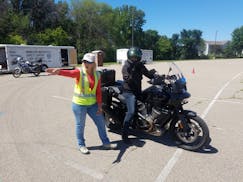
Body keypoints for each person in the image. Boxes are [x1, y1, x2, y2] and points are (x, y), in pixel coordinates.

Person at [46, 53, 117, 154]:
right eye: (84, 61)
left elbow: (98, 91)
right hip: (79, 105)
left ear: (93, 63)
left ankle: (106, 143)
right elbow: (70, 73)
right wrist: (59, 72)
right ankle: (81, 145)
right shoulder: (80, 72)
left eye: (88, 62)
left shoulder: (97, 74)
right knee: (80, 125)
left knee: (101, 123)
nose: (85, 63)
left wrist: (100, 106)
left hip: (93, 105)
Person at [121, 47, 156, 143]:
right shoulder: (126, 66)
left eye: (136, 58)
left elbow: (148, 74)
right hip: (129, 92)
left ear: (139, 58)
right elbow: (126, 77)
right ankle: (124, 134)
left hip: (137, 90)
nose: (134, 59)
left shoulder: (139, 65)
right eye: (132, 58)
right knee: (131, 112)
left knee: (151, 100)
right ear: (129, 57)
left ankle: (148, 122)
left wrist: (157, 76)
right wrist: (130, 74)